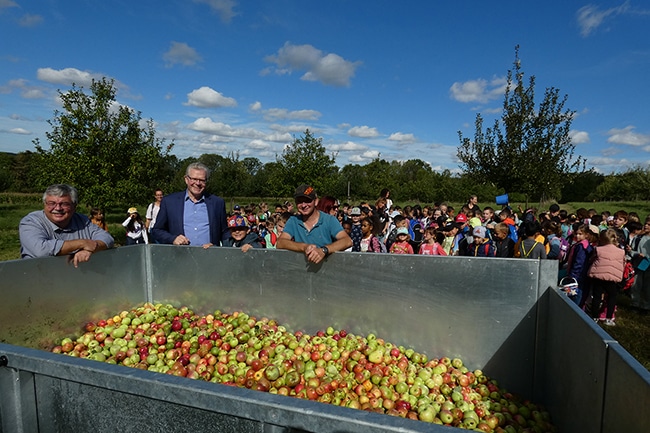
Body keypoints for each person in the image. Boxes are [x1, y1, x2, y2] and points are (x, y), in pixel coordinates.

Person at [19, 184, 114, 267]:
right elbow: (41, 250)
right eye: (51, 203)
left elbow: (107, 238)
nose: (57, 208)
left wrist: (91, 249)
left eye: (64, 204)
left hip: (76, 277)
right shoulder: (31, 222)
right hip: (40, 278)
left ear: (74, 206)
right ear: (44, 204)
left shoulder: (82, 220)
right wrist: (82, 243)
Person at [152, 162, 228, 247]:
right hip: (180, 256)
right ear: (186, 179)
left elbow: (225, 233)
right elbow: (157, 230)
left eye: (202, 180)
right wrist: (173, 239)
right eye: (194, 179)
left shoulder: (217, 203)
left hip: (209, 257)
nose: (198, 183)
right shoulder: (169, 202)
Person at [276, 184, 352, 263]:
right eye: (299, 201)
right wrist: (304, 247)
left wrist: (324, 250)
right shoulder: (293, 221)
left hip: (326, 269)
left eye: (307, 201)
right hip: (300, 269)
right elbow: (280, 243)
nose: (304, 205)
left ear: (316, 202)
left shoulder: (329, 220)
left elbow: (347, 241)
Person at [587, 229, 626, 326]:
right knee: (612, 297)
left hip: (598, 276)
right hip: (612, 277)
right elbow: (623, 263)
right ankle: (609, 318)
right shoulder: (621, 252)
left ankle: (594, 316)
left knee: (597, 296)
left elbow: (592, 259)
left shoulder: (598, 249)